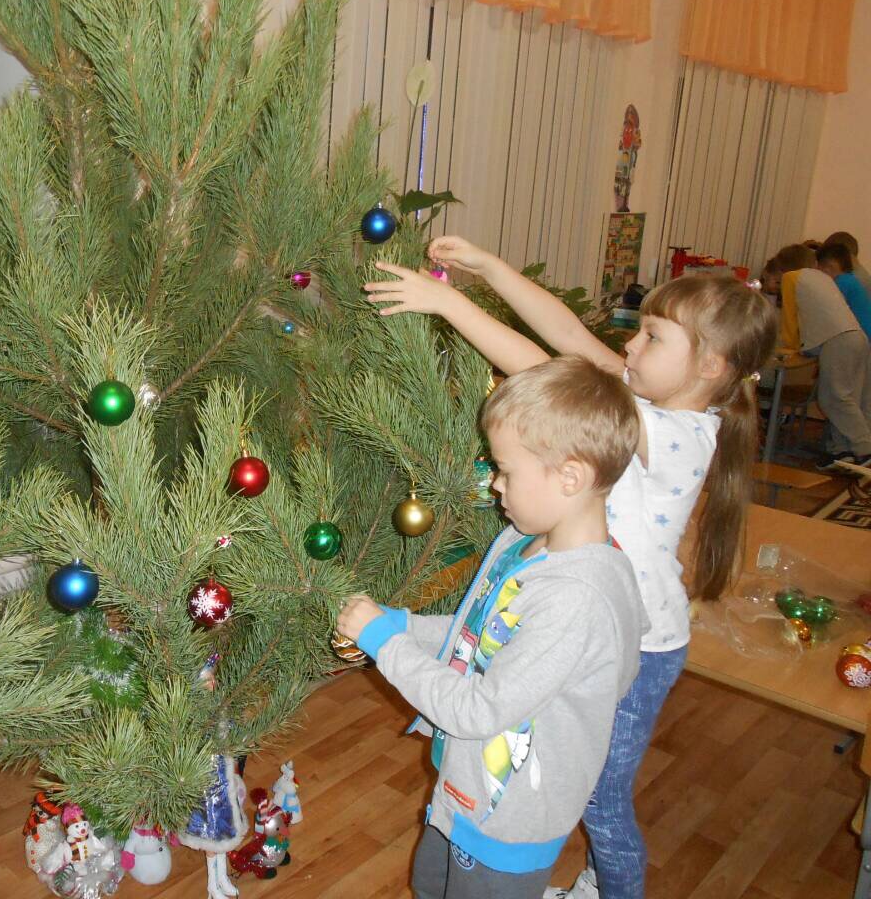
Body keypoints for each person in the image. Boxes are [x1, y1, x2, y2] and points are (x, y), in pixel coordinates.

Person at [364, 237, 777, 899]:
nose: (630, 347)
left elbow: (545, 376)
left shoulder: (669, 432)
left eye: (652, 337)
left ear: (712, 365)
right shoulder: (654, 409)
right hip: (584, 615)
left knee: (597, 800)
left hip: (632, 639)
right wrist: (491, 270)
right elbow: (569, 337)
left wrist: (449, 305)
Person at [337, 356, 647, 899]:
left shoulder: (578, 599)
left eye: (505, 469)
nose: (495, 484)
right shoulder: (521, 542)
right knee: (431, 886)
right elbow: (474, 632)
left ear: (570, 476)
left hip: (509, 820)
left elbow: (477, 710)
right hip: (463, 790)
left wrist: (385, 645)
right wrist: (403, 625)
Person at [775, 243, 871, 469]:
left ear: (784, 269)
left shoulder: (792, 278)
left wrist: (788, 346)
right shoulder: (822, 279)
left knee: (833, 398)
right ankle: (842, 449)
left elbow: (790, 319)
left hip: (839, 341)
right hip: (856, 337)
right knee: (849, 397)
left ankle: (864, 448)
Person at [816, 241, 871, 340]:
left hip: (864, 339)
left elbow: (828, 314)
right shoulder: (850, 279)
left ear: (828, 268)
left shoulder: (841, 283)